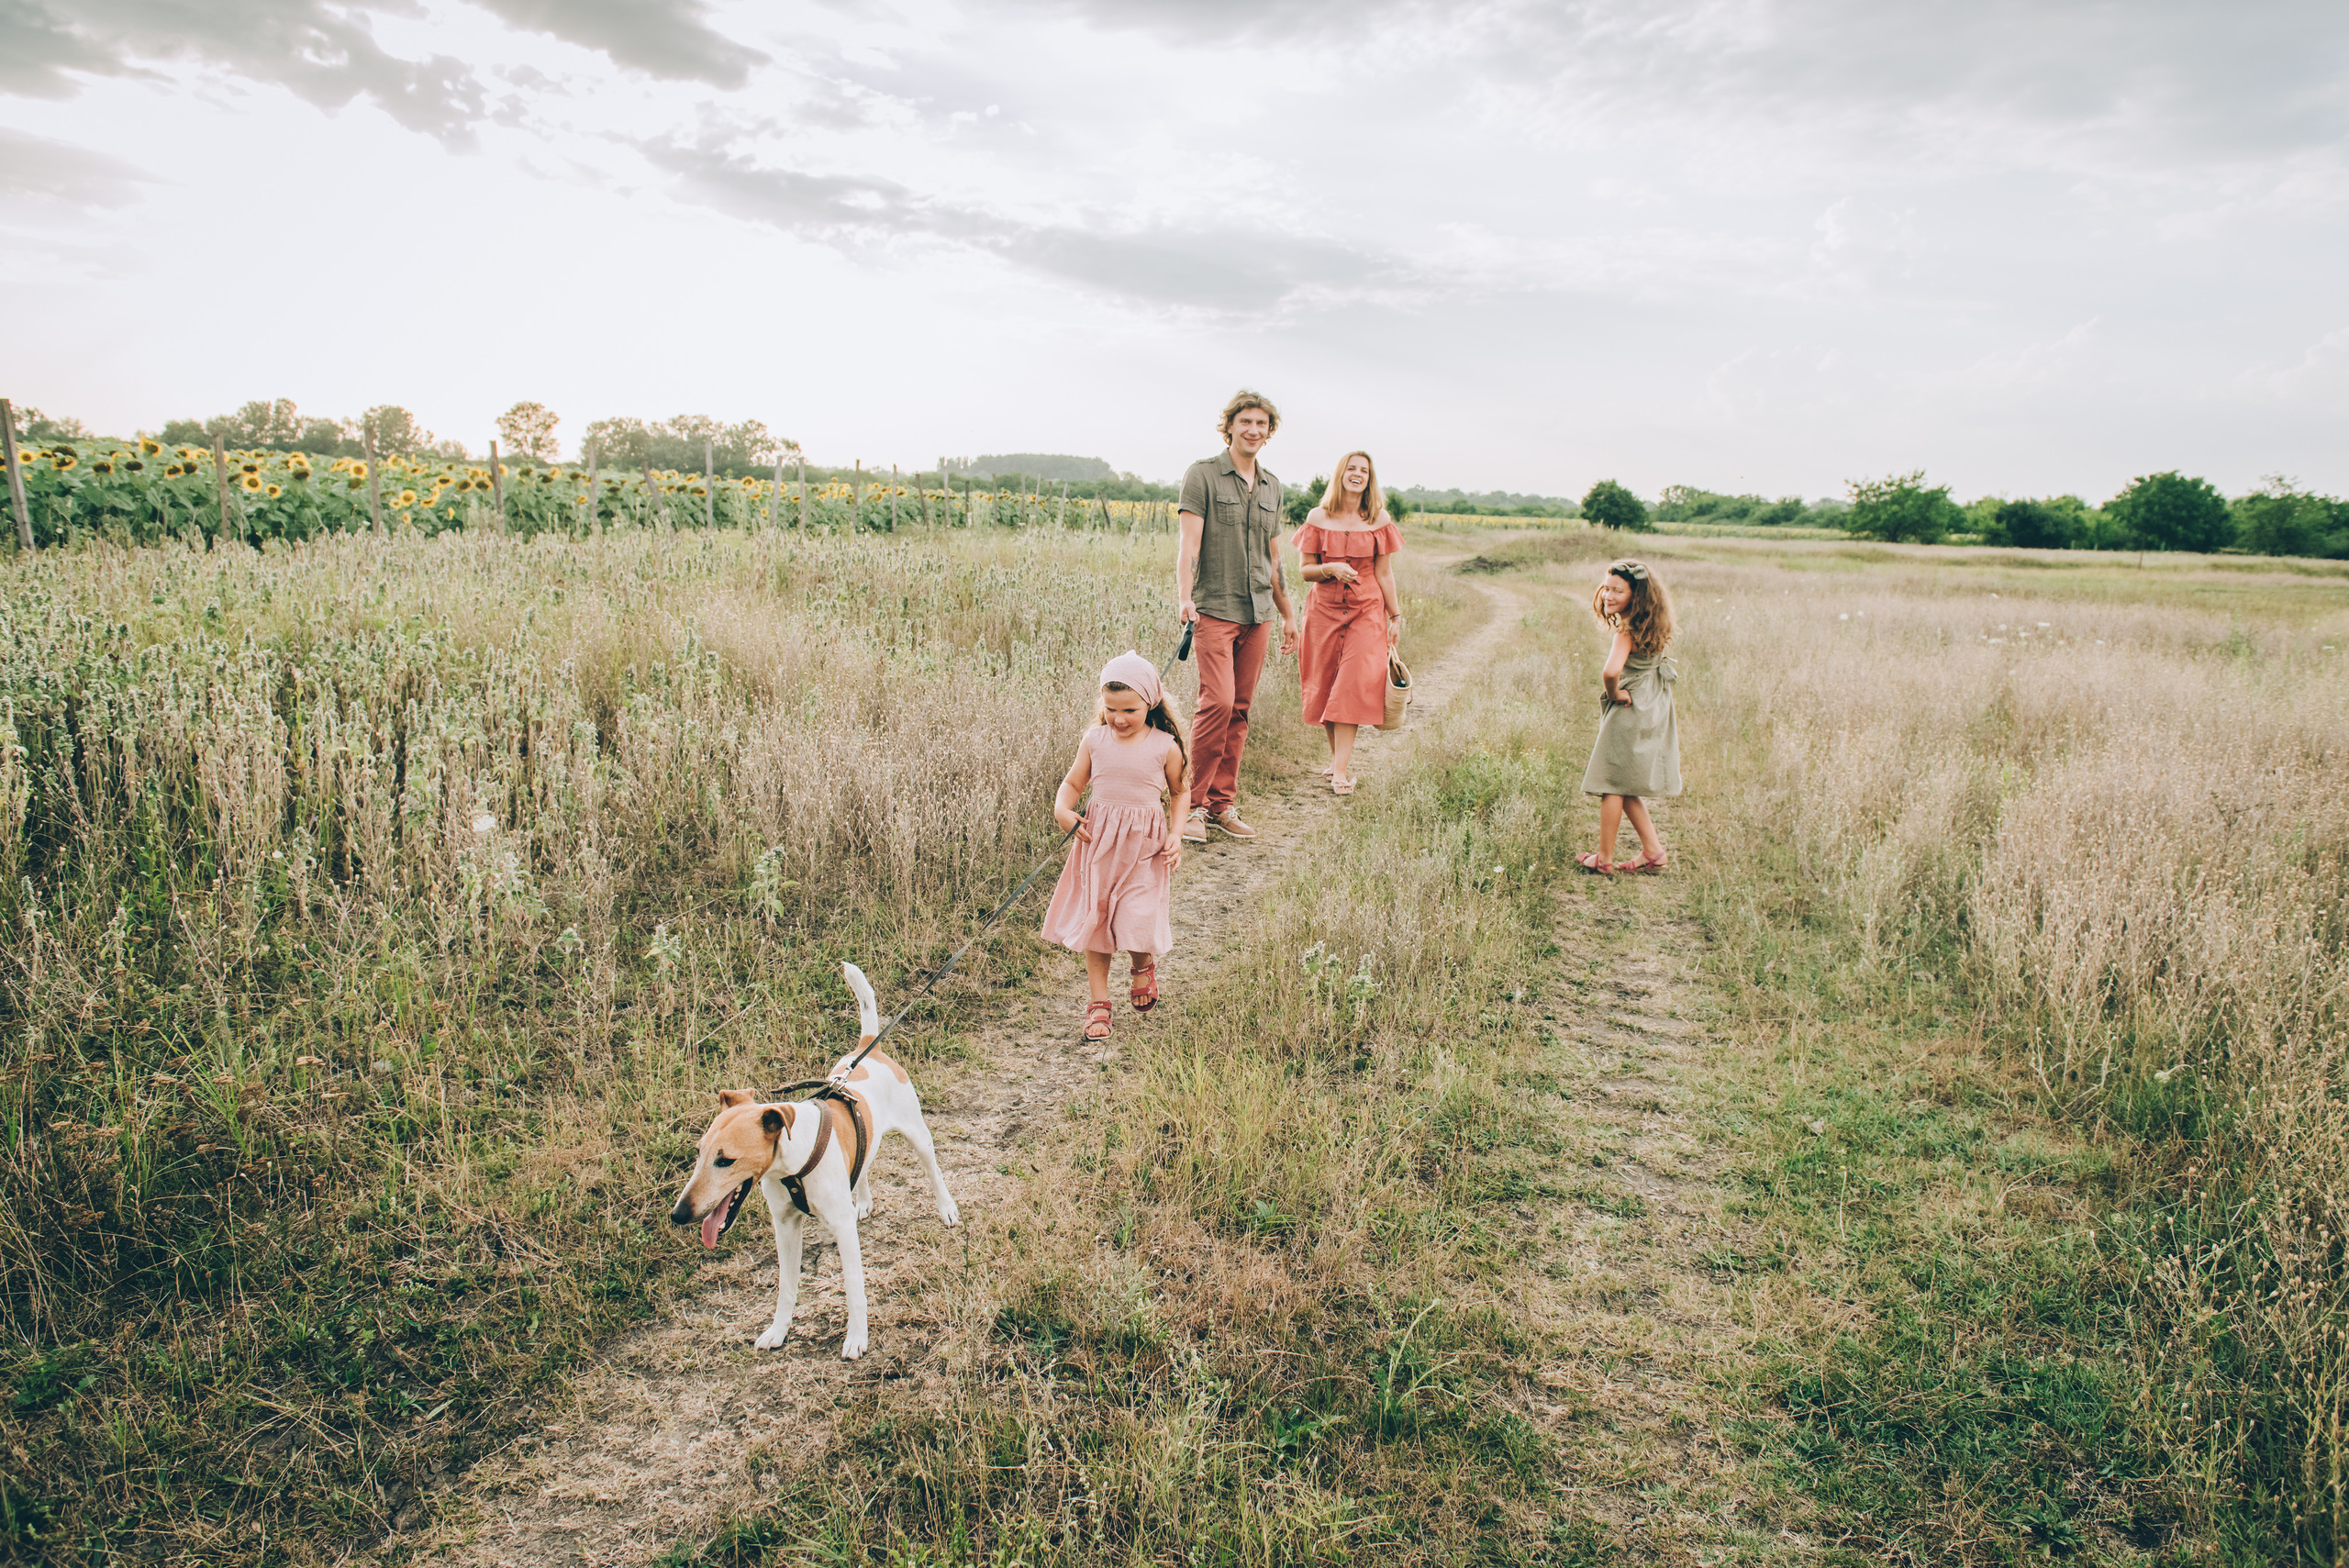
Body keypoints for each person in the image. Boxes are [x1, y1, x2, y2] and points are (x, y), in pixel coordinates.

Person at [1040, 651, 1189, 1040]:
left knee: (1135, 917)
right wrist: (1063, 809)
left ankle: (1142, 964)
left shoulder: (1164, 746)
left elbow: (1179, 792)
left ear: (1150, 704)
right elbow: (1073, 784)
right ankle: (1099, 1003)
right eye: (1110, 709)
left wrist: (1176, 833)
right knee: (1098, 920)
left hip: (1144, 848)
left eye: (1129, 710)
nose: (1119, 719)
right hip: (1099, 845)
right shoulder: (1094, 740)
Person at [1174, 390, 1297, 842]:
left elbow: (1273, 557)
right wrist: (1185, 598)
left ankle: (1221, 805)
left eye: (1261, 424)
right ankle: (1188, 806)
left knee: (1240, 710)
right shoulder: (1202, 476)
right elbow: (1189, 544)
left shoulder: (1272, 486)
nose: (1253, 430)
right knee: (1218, 703)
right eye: (1245, 422)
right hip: (1215, 609)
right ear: (1229, 426)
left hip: (1259, 612)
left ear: (1269, 432)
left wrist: (1288, 614)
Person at [1292, 450, 1403, 795]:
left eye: (1364, 471)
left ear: (1370, 479)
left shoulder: (1378, 518)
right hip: (1323, 611)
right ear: (1340, 474)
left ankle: (1340, 772)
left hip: (1366, 610)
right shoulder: (1318, 516)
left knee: (1351, 685)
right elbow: (1305, 570)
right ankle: (1337, 760)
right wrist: (1331, 569)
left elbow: (1384, 573)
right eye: (1351, 469)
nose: (1357, 475)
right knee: (1326, 684)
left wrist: (1395, 615)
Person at [1579, 559, 1680, 874]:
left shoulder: (1625, 632)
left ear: (1636, 597)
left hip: (1629, 707)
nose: (1607, 595)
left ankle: (1604, 859)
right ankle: (1653, 852)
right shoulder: (1654, 626)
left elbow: (1611, 671)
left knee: (1611, 782)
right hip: (1653, 704)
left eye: (1617, 591)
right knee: (1626, 782)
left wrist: (1613, 693)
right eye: (1606, 588)